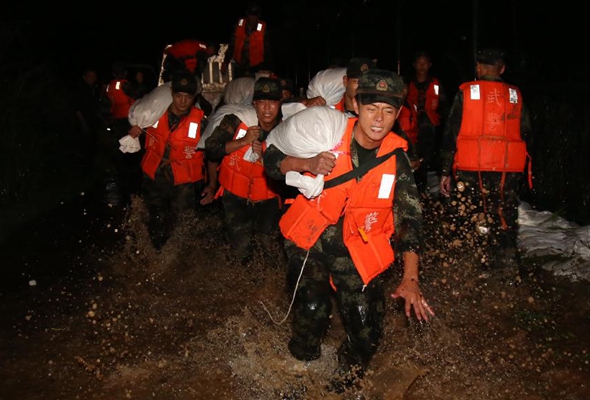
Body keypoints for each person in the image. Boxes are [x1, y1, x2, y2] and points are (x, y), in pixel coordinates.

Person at [263, 69, 434, 391]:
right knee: (313, 307)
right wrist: (305, 164)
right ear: (356, 105)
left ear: (398, 115)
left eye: (388, 111)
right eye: (371, 108)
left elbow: (410, 219)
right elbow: (271, 160)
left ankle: (339, 388)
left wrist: (411, 278)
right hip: (310, 240)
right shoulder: (325, 133)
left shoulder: (397, 159)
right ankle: (300, 372)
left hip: (357, 251)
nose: (379, 119)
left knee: (367, 332)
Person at [439, 48, 532, 273]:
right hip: (506, 171)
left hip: (471, 169)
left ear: (478, 68)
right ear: (502, 69)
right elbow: (526, 132)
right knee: (504, 218)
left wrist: (444, 170)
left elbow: (451, 131)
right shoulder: (515, 94)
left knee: (467, 216)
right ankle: (508, 272)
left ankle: (468, 269)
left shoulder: (466, 92)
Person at [128, 71, 217, 251]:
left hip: (185, 183)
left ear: (194, 97)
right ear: (172, 95)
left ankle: (176, 260)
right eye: (178, 96)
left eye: (187, 97)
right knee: (156, 219)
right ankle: (155, 255)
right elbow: (134, 127)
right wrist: (133, 131)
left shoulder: (201, 120)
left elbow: (212, 154)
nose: (183, 102)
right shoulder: (152, 115)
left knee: (182, 224)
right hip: (155, 177)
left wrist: (212, 184)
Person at [204, 77, 284, 264]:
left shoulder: (286, 128)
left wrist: (265, 158)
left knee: (270, 251)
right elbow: (211, 148)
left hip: (268, 200)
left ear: (279, 103)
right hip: (235, 197)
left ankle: (267, 290)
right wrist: (243, 141)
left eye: (272, 102)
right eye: (262, 102)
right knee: (239, 249)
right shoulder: (236, 121)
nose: (266, 108)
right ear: (254, 104)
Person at [407, 51, 447, 193]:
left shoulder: (436, 83)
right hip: (411, 127)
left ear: (429, 65)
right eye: (419, 62)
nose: (422, 66)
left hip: (430, 127)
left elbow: (443, 105)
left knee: (429, 159)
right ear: (414, 65)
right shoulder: (408, 83)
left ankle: (428, 190)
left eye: (425, 63)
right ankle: (415, 188)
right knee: (413, 156)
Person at [106, 61, 143, 201]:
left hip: (118, 121)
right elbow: (138, 95)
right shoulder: (126, 84)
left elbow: (111, 103)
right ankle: (134, 180)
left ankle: (125, 175)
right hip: (129, 120)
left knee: (122, 148)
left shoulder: (110, 86)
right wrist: (139, 83)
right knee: (133, 149)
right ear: (125, 73)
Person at [221, 2, 273, 78]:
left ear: (259, 16)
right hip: (239, 65)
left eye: (255, 15)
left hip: (256, 67)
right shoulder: (238, 26)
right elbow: (232, 46)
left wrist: (269, 68)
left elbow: (268, 51)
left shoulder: (263, 29)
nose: (252, 18)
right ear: (247, 14)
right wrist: (225, 62)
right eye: (251, 15)